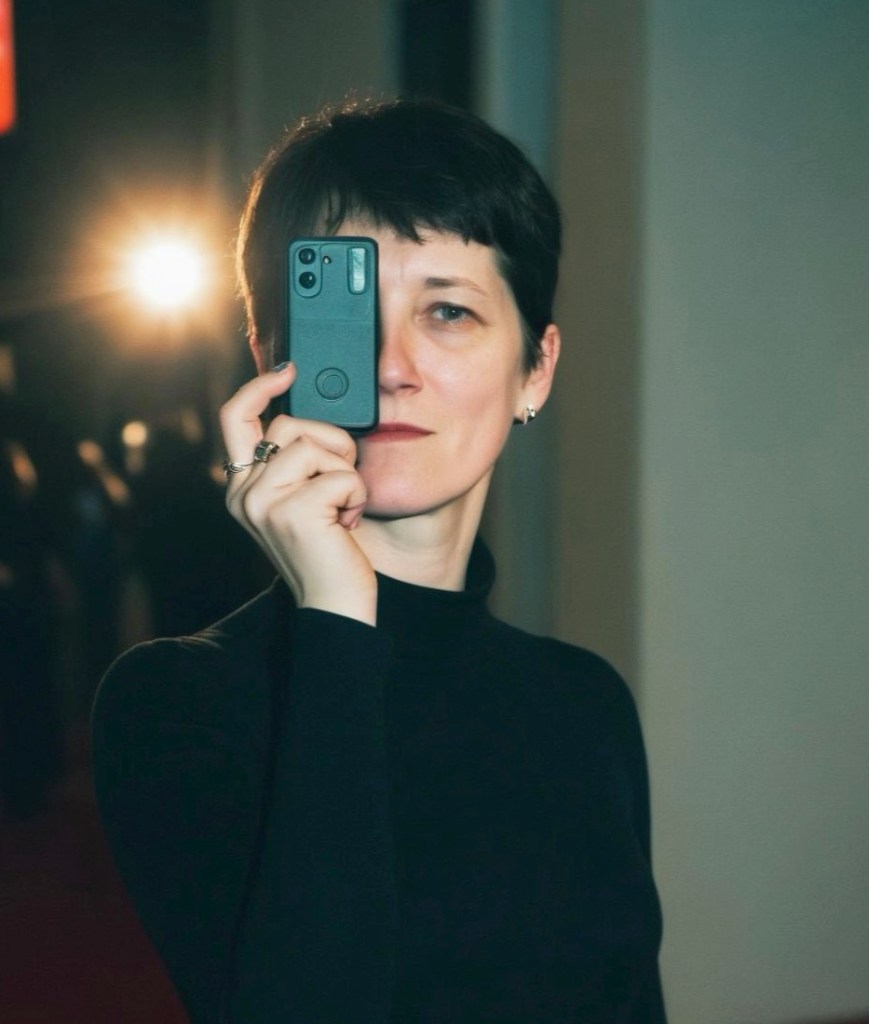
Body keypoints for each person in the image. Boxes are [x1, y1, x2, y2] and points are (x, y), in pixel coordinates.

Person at [92, 98, 666, 1024]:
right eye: (347, 312)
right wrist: (333, 611)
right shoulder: (180, 701)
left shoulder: (584, 704)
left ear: (536, 368)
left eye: (447, 311)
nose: (392, 365)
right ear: (270, 357)